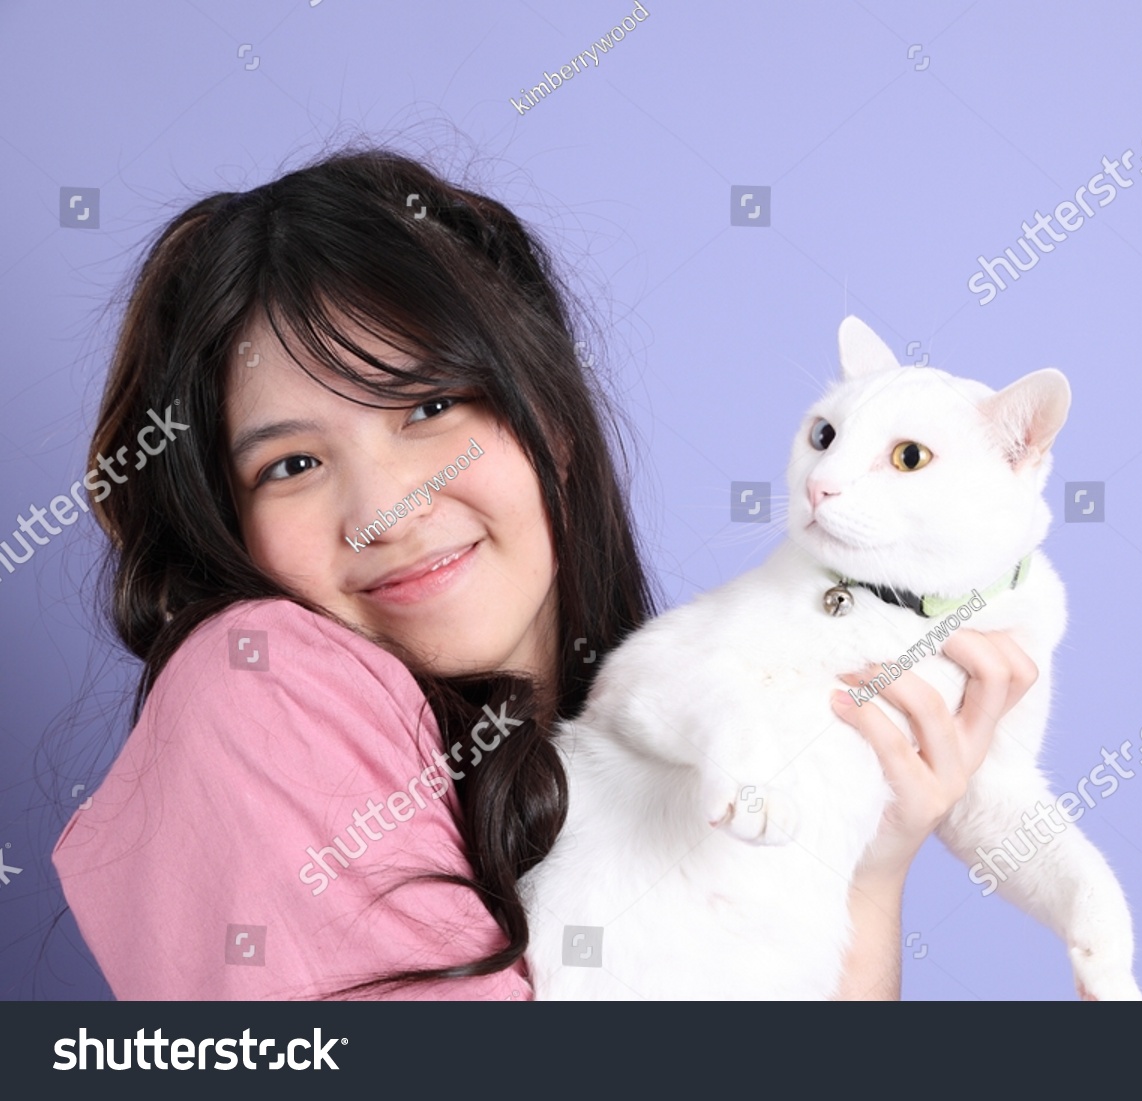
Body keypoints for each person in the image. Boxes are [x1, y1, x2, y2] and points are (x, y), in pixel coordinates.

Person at [51, 145, 1038, 1000]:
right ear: (234, 527)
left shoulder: (679, 753)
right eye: (293, 465)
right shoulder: (252, 681)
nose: (386, 508)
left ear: (551, 421)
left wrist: (864, 867)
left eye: (430, 407)